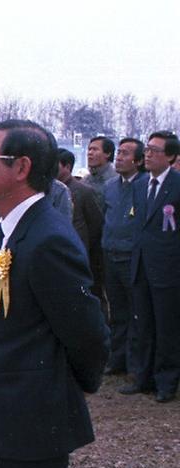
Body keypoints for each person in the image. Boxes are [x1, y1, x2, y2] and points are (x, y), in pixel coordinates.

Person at [0, 119, 109, 468]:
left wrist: (56, 390)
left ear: (21, 167)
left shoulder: (47, 238)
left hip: (30, 417)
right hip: (4, 416)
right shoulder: (11, 229)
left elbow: (88, 334)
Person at [127, 131, 180, 403]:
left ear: (170, 156)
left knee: (167, 326)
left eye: (154, 151)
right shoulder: (138, 186)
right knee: (143, 324)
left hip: (168, 268)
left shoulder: (178, 185)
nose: (147, 154)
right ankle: (143, 376)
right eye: (146, 149)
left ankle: (166, 381)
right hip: (141, 265)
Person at [103, 138, 147, 376]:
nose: (119, 158)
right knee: (117, 311)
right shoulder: (110, 187)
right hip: (110, 254)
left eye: (125, 154)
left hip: (133, 258)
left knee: (136, 312)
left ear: (138, 161)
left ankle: (135, 364)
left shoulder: (143, 186)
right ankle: (117, 359)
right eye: (118, 153)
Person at [57, 148, 104, 300]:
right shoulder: (49, 190)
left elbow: (96, 224)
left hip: (79, 253)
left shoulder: (83, 191)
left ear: (67, 167)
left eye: (55, 165)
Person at [84, 135, 118, 202]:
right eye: (89, 149)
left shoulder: (116, 181)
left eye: (95, 149)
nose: (90, 153)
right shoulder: (85, 180)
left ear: (108, 154)